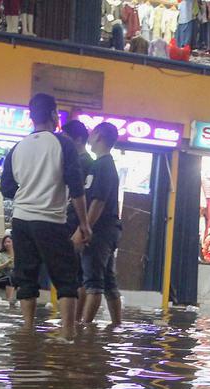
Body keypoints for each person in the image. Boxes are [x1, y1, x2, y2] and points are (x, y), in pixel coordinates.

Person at [0, 93, 89, 341]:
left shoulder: (18, 147)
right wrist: (84, 223)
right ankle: (68, 335)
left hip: (21, 221)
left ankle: (27, 332)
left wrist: (28, 190)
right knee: (65, 276)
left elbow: (6, 188)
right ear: (53, 114)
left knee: (25, 276)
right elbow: (77, 186)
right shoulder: (63, 144)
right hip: (50, 220)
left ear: (31, 117)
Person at [79, 122, 123, 326]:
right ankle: (116, 326)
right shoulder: (106, 164)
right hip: (109, 229)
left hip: (100, 229)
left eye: (93, 131)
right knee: (108, 281)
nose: (89, 134)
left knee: (93, 282)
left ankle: (83, 331)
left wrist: (84, 228)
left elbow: (98, 201)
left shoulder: (102, 165)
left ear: (98, 136)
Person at [61, 119, 94, 315]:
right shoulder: (77, 162)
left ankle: (76, 321)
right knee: (72, 272)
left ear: (78, 140)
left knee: (76, 274)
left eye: (66, 139)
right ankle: (73, 321)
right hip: (72, 222)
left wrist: (81, 227)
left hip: (76, 224)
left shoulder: (85, 164)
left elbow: (86, 198)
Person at [0, 233, 16, 302]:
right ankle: (9, 300)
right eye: (5, 242)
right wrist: (7, 263)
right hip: (0, 279)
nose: (7, 244)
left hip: (14, 279)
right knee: (10, 278)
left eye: (9, 242)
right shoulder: (0, 255)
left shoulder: (18, 254)